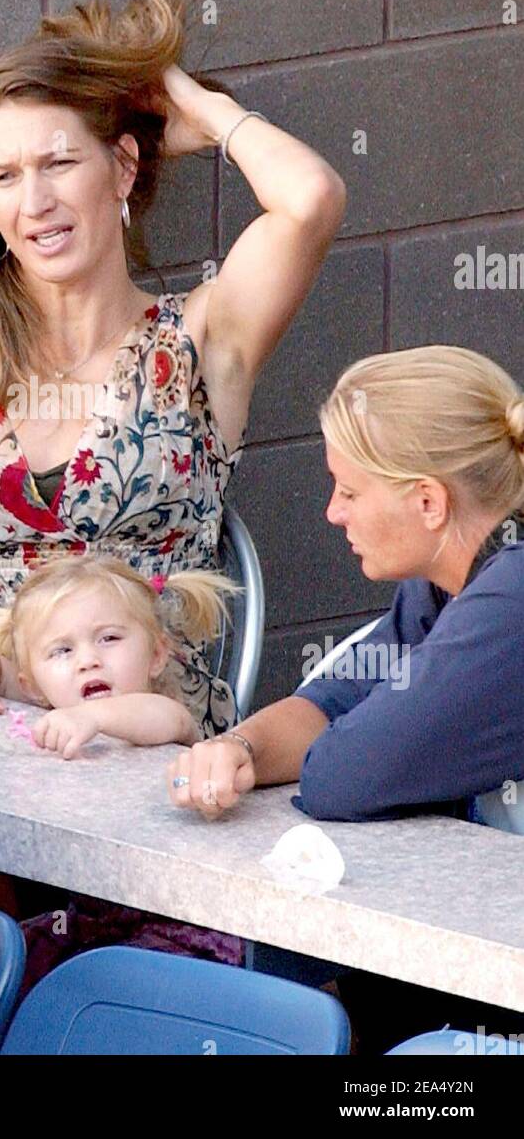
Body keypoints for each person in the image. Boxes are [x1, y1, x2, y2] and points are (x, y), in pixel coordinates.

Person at [0, 0, 346, 740]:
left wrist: (195, 109)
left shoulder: (196, 341)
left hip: (148, 759)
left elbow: (311, 198)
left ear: (121, 170)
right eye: (3, 177)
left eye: (59, 163)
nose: (34, 201)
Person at [166, 344, 524, 1050]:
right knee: (286, 946)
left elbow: (344, 774)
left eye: (350, 491)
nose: (331, 513)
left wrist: (321, 742)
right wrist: (237, 748)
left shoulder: (510, 597)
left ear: (427, 501)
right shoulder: (446, 578)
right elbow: (328, 702)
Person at [0, 555, 237, 757]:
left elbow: (171, 719)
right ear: (32, 685)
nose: (87, 660)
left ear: (156, 655)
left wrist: (93, 718)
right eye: (62, 650)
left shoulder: (162, 711)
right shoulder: (43, 694)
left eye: (109, 638)